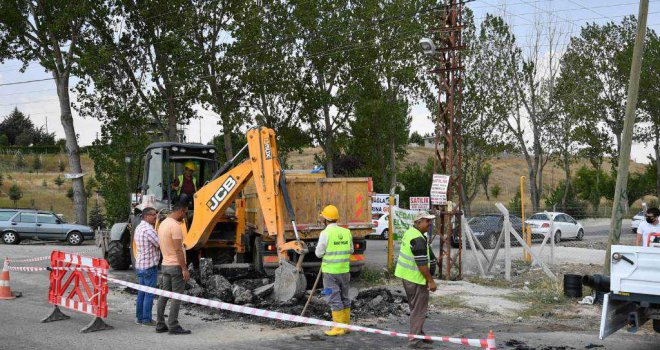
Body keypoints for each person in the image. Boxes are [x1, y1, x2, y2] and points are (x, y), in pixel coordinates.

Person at [394, 211, 437, 349]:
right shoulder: (417, 239)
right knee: (419, 310)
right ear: (418, 222)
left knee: (415, 308)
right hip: (416, 279)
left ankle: (419, 333)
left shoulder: (411, 233)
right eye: (427, 221)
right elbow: (421, 265)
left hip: (408, 277)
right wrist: (430, 281)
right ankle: (415, 342)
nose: (429, 224)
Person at [315, 204, 353, 336]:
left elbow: (319, 253)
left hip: (330, 273)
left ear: (325, 219)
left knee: (333, 297)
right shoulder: (346, 232)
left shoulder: (325, 233)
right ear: (337, 218)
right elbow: (351, 250)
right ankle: (346, 326)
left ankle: (337, 328)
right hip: (344, 271)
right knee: (344, 297)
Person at [156, 195, 191, 335]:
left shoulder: (163, 223)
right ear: (181, 211)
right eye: (186, 212)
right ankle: (173, 325)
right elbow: (178, 249)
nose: (185, 215)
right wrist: (184, 269)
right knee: (177, 296)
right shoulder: (175, 226)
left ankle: (160, 324)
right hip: (176, 266)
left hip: (165, 264)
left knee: (164, 295)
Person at [134, 207, 160, 326]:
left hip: (140, 265)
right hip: (149, 266)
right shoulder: (149, 230)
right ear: (146, 216)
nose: (155, 217)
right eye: (153, 215)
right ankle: (146, 319)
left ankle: (139, 318)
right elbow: (159, 243)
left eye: (156, 214)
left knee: (142, 293)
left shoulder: (139, 227)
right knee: (149, 293)